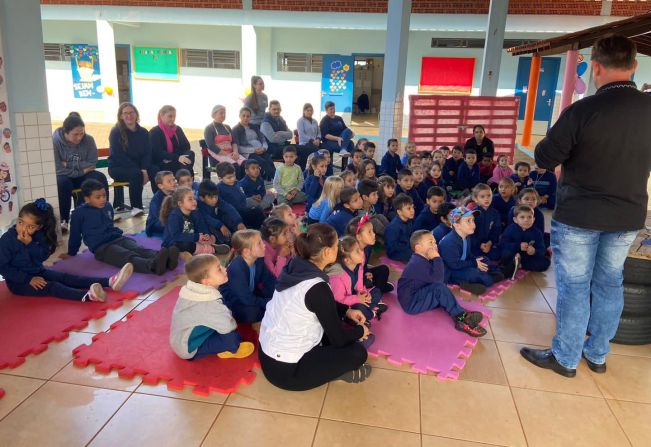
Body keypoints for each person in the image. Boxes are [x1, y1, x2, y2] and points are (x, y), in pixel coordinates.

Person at [521, 35, 651, 378]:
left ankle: (565, 358)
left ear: (595, 67)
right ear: (634, 66)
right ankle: (597, 354)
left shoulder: (582, 111)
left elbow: (545, 157)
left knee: (575, 287)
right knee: (611, 284)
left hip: (580, 216)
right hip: (627, 215)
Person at [259, 224, 371, 391]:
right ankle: (336, 371)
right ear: (327, 252)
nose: (338, 250)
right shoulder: (317, 287)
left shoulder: (296, 264)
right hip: (287, 371)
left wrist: (347, 311)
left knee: (334, 328)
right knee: (358, 353)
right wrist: (361, 331)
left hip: (267, 353)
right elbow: (338, 339)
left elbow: (319, 304)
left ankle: (329, 363)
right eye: (335, 247)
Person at [0, 199, 132, 301]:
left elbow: (41, 257)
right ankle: (88, 296)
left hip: (38, 271)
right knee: (53, 286)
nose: (23, 228)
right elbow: (3, 267)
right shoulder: (7, 240)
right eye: (20, 222)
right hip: (19, 282)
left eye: (30, 226)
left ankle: (109, 282)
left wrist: (30, 245)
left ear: (38, 227)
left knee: (64, 277)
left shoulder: (39, 236)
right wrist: (27, 279)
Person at [67, 179, 172, 275]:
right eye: (98, 197)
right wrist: (71, 253)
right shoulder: (78, 213)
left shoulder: (107, 206)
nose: (103, 199)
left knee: (138, 248)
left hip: (117, 238)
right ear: (87, 199)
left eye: (104, 196)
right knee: (126, 255)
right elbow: (75, 235)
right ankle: (153, 266)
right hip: (101, 247)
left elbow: (109, 224)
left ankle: (167, 259)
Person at [398, 231, 486, 337]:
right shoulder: (417, 263)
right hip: (411, 303)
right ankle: (461, 319)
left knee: (441, 287)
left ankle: (460, 312)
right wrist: (437, 258)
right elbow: (439, 281)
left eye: (435, 242)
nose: (435, 245)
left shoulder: (423, 260)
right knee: (439, 288)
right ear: (418, 248)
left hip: (419, 293)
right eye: (430, 243)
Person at [169, 255, 255, 360]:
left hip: (179, 338)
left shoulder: (194, 289)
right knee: (233, 339)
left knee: (225, 311)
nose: (225, 269)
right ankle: (229, 350)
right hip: (187, 348)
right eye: (219, 269)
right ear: (206, 281)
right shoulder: (209, 304)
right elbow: (228, 326)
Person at [53, 112, 109, 232]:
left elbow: (92, 162)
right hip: (65, 176)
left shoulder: (88, 140)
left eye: (81, 133)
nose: (79, 137)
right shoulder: (55, 142)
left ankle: (103, 213)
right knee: (62, 183)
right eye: (75, 134)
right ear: (65, 133)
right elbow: (58, 169)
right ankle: (64, 220)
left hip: (81, 174)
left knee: (99, 177)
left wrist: (68, 164)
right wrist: (81, 169)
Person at [438, 206, 505, 296]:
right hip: (451, 272)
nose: (473, 224)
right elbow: (454, 265)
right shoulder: (449, 243)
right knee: (473, 273)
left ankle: (493, 273)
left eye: (473, 220)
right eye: (468, 221)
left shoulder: (466, 236)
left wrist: (476, 261)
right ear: (457, 225)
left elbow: (468, 254)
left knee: (484, 259)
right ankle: (471, 282)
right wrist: (474, 263)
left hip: (462, 264)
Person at [108, 102, 158, 215]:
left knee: (155, 170)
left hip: (139, 167)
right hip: (118, 167)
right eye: (125, 113)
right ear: (121, 116)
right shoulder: (115, 132)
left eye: (131, 112)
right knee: (136, 174)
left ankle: (160, 203)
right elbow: (119, 156)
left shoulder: (144, 132)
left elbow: (147, 153)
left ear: (136, 114)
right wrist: (140, 171)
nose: (129, 115)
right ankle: (136, 208)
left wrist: (144, 169)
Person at [219, 230, 276, 323]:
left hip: (250, 293)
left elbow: (269, 280)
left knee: (274, 294)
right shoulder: (236, 269)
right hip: (235, 301)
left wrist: (277, 295)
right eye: (259, 243)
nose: (264, 245)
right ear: (246, 252)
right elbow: (246, 299)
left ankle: (269, 307)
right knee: (251, 313)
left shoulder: (258, 260)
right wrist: (270, 302)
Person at [328, 236, 386, 322]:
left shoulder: (358, 265)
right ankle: (372, 313)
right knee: (359, 308)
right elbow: (339, 301)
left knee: (377, 292)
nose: (362, 252)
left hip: (356, 297)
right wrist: (358, 299)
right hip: (347, 305)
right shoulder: (337, 277)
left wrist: (365, 294)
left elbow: (359, 285)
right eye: (357, 251)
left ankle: (367, 311)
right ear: (347, 260)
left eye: (360, 249)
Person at [160, 187, 229, 256]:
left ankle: (207, 246)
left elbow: (201, 225)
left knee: (210, 236)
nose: (194, 201)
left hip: (191, 239)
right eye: (190, 199)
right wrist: (196, 237)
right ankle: (212, 249)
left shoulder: (194, 213)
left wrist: (205, 235)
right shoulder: (174, 216)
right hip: (173, 243)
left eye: (194, 198)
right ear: (180, 203)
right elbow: (176, 236)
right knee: (185, 245)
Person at [345, 215, 394, 294]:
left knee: (384, 269)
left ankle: (377, 288)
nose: (374, 234)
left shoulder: (368, 247)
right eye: (369, 232)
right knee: (366, 282)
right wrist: (364, 277)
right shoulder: (351, 253)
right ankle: (375, 291)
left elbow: (364, 266)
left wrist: (367, 272)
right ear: (359, 237)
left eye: (373, 231)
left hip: (361, 275)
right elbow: (350, 276)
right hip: (352, 281)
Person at [500, 205, 550, 273]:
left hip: (528, 257)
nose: (526, 220)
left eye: (529, 217)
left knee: (545, 262)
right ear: (515, 220)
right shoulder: (510, 229)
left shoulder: (537, 232)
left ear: (534, 219)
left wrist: (534, 251)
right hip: (513, 254)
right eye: (522, 217)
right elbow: (503, 244)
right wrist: (518, 246)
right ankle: (514, 264)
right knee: (505, 254)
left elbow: (541, 248)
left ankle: (520, 265)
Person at [148, 105, 195, 177]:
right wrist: (176, 157)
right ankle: (184, 178)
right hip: (163, 162)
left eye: (174, 116)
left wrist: (178, 157)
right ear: (161, 116)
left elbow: (186, 146)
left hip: (178, 159)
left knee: (190, 153)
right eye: (170, 116)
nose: (173, 119)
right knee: (185, 166)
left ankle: (183, 177)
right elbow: (158, 152)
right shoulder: (155, 132)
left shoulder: (177, 129)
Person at [215, 162, 265, 229]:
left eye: (234, 176)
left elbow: (243, 197)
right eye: (229, 178)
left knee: (258, 211)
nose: (232, 179)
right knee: (256, 212)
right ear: (220, 178)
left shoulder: (237, 183)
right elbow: (225, 208)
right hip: (230, 215)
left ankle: (260, 232)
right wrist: (238, 221)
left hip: (242, 210)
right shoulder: (219, 189)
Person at [231, 107, 275, 181]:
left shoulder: (254, 127)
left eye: (248, 116)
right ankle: (279, 180)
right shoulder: (236, 129)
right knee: (262, 162)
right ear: (240, 116)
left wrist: (264, 148)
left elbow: (262, 139)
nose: (245, 118)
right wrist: (254, 150)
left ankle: (276, 179)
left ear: (250, 117)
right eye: (243, 116)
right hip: (248, 153)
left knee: (269, 159)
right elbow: (238, 147)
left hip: (261, 150)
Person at [196, 180, 245, 244]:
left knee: (227, 216)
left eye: (216, 197)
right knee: (210, 227)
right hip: (209, 227)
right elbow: (206, 218)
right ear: (202, 198)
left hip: (219, 223)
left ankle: (240, 234)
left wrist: (239, 222)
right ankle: (225, 242)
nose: (214, 200)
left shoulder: (218, 201)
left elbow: (229, 208)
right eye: (211, 198)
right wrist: (220, 225)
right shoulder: (198, 205)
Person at [203, 105, 246, 170]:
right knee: (235, 167)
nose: (223, 115)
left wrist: (235, 152)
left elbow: (234, 142)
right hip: (217, 156)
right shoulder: (209, 128)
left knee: (246, 164)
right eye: (221, 113)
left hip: (231, 154)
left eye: (224, 113)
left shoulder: (227, 127)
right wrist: (228, 155)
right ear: (214, 114)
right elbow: (211, 146)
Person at [469, 184, 501, 261]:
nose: (486, 199)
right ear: (475, 199)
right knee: (477, 258)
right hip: (476, 244)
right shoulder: (473, 214)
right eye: (482, 197)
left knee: (498, 254)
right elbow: (469, 233)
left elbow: (496, 230)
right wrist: (479, 244)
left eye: (489, 196)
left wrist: (490, 243)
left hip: (489, 243)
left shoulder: (495, 213)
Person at [384, 193, 415, 263]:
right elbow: (391, 246)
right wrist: (408, 247)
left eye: (413, 207)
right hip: (395, 252)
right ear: (399, 212)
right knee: (417, 255)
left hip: (406, 246)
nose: (412, 210)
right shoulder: (394, 227)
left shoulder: (409, 220)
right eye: (409, 208)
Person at [146, 171, 176, 238]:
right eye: (169, 181)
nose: (173, 183)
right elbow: (158, 219)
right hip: (156, 224)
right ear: (161, 186)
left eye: (174, 179)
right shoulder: (157, 200)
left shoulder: (175, 193)